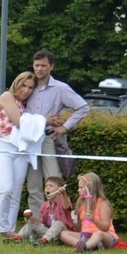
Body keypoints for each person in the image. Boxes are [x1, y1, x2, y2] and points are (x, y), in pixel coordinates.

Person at [25, 49, 89, 214]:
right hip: (30, 141)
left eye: (43, 65)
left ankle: (59, 221)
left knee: (54, 182)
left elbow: (83, 107)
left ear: (51, 66)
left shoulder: (61, 88)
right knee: (33, 185)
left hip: (49, 139)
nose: (39, 69)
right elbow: (12, 102)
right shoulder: (27, 85)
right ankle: (37, 223)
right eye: (36, 65)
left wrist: (64, 127)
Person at [0, 71, 37, 238]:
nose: (26, 90)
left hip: (20, 150)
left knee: (15, 192)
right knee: (5, 188)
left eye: (30, 87)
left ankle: (10, 229)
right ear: (17, 83)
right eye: (24, 85)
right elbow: (18, 121)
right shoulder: (7, 96)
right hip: (2, 145)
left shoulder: (25, 104)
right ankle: (2, 228)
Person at [59, 172, 118, 251]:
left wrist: (93, 219)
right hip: (86, 235)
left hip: (105, 235)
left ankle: (85, 247)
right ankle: (82, 244)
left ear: (89, 188)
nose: (78, 190)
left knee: (98, 234)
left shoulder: (103, 204)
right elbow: (81, 228)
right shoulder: (81, 203)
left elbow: (105, 227)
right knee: (63, 234)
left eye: (81, 187)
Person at [13, 176, 76, 245]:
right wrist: (35, 220)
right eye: (46, 186)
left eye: (51, 186)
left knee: (58, 223)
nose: (47, 188)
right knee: (31, 224)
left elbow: (67, 206)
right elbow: (43, 223)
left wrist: (64, 194)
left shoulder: (64, 200)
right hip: (49, 233)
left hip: (63, 234)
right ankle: (17, 238)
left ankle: (43, 241)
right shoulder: (44, 205)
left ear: (59, 190)